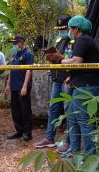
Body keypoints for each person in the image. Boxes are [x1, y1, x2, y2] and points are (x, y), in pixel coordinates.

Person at [46, 15, 99, 156]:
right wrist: (72, 77)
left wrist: (60, 59)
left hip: (87, 86)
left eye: (70, 28)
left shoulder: (82, 40)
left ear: (76, 28)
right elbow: (84, 64)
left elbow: (76, 61)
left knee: (83, 120)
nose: (69, 31)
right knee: (72, 116)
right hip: (82, 84)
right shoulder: (84, 40)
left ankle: (90, 154)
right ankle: (74, 150)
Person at [34, 15, 72, 152]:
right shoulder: (59, 40)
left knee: (68, 111)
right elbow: (58, 59)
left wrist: (59, 58)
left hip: (67, 79)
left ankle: (69, 142)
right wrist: (51, 57)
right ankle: (49, 138)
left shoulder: (74, 41)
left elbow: (74, 60)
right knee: (53, 109)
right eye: (59, 29)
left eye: (63, 29)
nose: (60, 31)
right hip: (56, 79)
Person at [5, 34, 34, 142]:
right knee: (15, 111)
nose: (14, 45)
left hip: (22, 87)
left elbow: (29, 70)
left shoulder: (28, 54)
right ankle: (19, 131)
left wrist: (25, 86)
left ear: (21, 42)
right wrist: (8, 85)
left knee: (25, 110)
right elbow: (11, 70)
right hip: (14, 86)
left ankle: (27, 133)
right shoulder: (15, 55)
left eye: (15, 43)